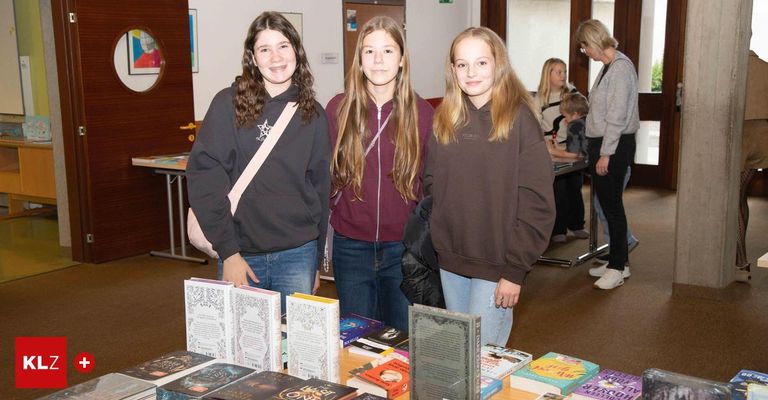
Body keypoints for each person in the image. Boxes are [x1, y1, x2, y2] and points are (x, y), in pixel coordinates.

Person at [186, 12, 331, 311]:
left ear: (296, 52)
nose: (276, 57)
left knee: (292, 347)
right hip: (241, 252)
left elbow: (320, 189)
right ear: (253, 57)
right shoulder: (227, 104)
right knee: (242, 350)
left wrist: (316, 261)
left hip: (298, 253)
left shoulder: (313, 113)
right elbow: (205, 181)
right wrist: (229, 253)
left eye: (283, 46)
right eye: (265, 49)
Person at [425, 27, 555, 346]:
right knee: (460, 353)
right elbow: (431, 182)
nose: (471, 72)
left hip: (498, 263)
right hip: (452, 258)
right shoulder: (445, 117)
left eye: (481, 63)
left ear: (498, 64)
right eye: (462, 64)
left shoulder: (519, 119)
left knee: (480, 359)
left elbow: (537, 203)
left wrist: (515, 270)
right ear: (452, 69)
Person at [326, 16, 434, 331]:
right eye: (369, 51)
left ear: (401, 59)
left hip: (402, 248)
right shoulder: (338, 109)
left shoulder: (422, 113)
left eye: (388, 51)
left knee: (401, 339)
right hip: (350, 246)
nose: (378, 60)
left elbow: (431, 186)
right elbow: (321, 175)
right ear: (359, 60)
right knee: (356, 338)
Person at [575, 19, 639, 290]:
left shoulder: (620, 69)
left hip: (612, 145)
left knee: (612, 206)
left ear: (592, 42)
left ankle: (617, 267)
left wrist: (606, 154)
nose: (584, 52)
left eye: (583, 46)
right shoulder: (607, 67)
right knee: (608, 203)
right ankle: (618, 260)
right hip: (603, 144)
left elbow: (617, 116)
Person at [735, 50, 768, 282]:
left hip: (739, 139)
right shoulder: (765, 67)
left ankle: (740, 262)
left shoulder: (732, 70)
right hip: (761, 140)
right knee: (740, 197)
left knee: (733, 200)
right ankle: (738, 259)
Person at [547, 93, 589, 243]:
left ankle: (560, 229)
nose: (565, 120)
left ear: (575, 114)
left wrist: (552, 151)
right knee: (573, 192)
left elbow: (574, 154)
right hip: (586, 164)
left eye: (566, 116)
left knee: (561, 193)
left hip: (577, 163)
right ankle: (575, 225)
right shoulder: (588, 121)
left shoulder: (575, 124)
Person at [534, 58, 578, 144]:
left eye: (565, 72)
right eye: (559, 72)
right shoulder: (539, 98)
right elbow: (535, 125)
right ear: (547, 75)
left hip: (571, 144)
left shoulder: (573, 93)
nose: (563, 76)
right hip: (549, 144)